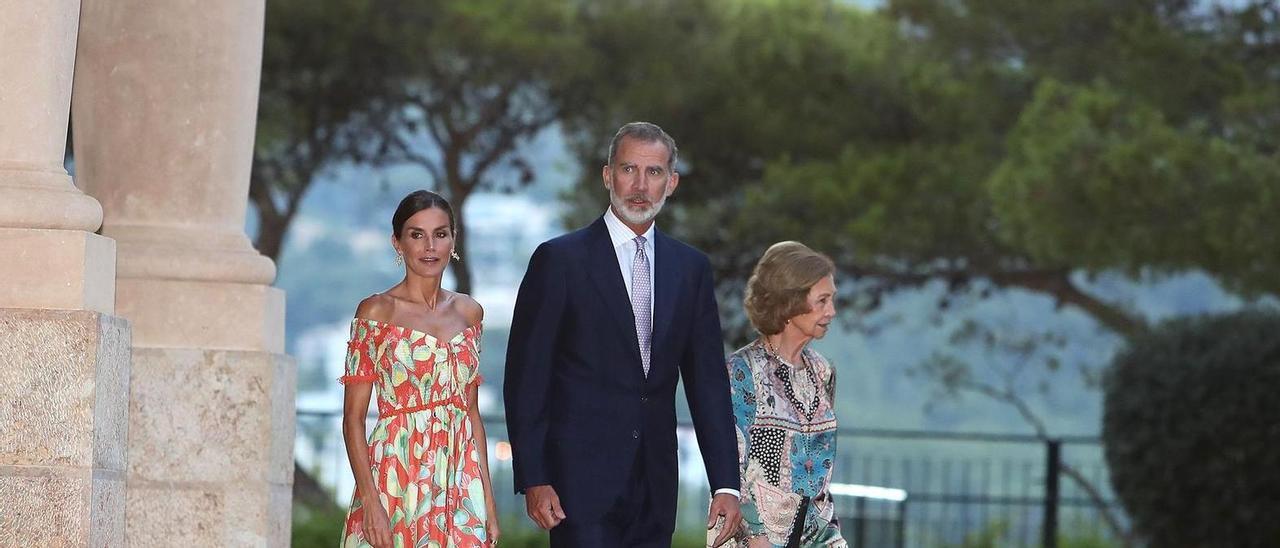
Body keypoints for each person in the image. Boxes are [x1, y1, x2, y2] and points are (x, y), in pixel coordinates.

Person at [503, 122, 742, 546]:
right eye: (629, 169)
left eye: (653, 173)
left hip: (656, 484)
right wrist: (534, 476)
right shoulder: (559, 261)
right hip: (577, 485)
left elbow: (707, 381)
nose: (640, 185)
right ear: (607, 176)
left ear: (672, 183)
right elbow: (527, 378)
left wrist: (726, 483)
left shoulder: (691, 270)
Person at [339, 190, 499, 547]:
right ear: (397, 243)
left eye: (440, 234)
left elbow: (470, 413)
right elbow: (352, 419)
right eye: (417, 234)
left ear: (453, 241)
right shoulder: (376, 312)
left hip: (460, 479)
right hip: (396, 477)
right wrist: (370, 502)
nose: (430, 246)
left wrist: (487, 499)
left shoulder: (470, 313)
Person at [727, 241, 845, 547]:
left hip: (818, 536)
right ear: (790, 303)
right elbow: (731, 463)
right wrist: (755, 535)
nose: (831, 311)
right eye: (822, 301)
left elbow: (821, 475)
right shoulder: (742, 371)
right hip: (756, 538)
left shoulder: (823, 372)